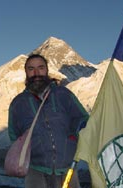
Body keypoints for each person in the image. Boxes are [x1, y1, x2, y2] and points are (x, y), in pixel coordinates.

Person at [8, 54, 89, 188]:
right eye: (31, 69)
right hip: (35, 170)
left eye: (40, 68)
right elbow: (13, 134)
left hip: (67, 168)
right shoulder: (18, 103)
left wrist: (76, 134)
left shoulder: (63, 94)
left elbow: (81, 118)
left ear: (46, 70)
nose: (36, 73)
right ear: (26, 73)